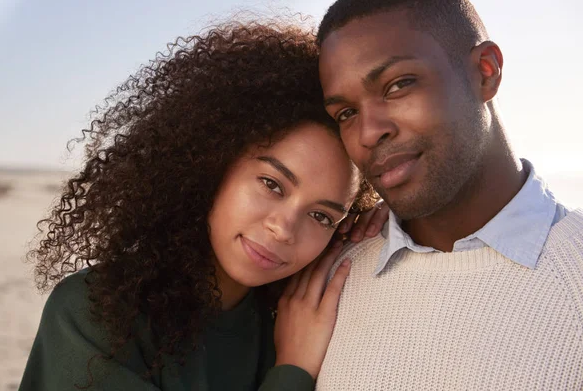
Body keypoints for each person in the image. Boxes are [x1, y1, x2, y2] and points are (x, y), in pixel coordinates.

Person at [19, 20, 383, 391]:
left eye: (321, 215)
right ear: (213, 165)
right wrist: (292, 370)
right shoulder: (92, 314)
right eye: (272, 184)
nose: (284, 228)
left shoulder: (301, 317)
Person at [315, 0, 583, 389]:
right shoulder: (324, 280)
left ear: (486, 71)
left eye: (397, 85)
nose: (368, 133)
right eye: (346, 113)